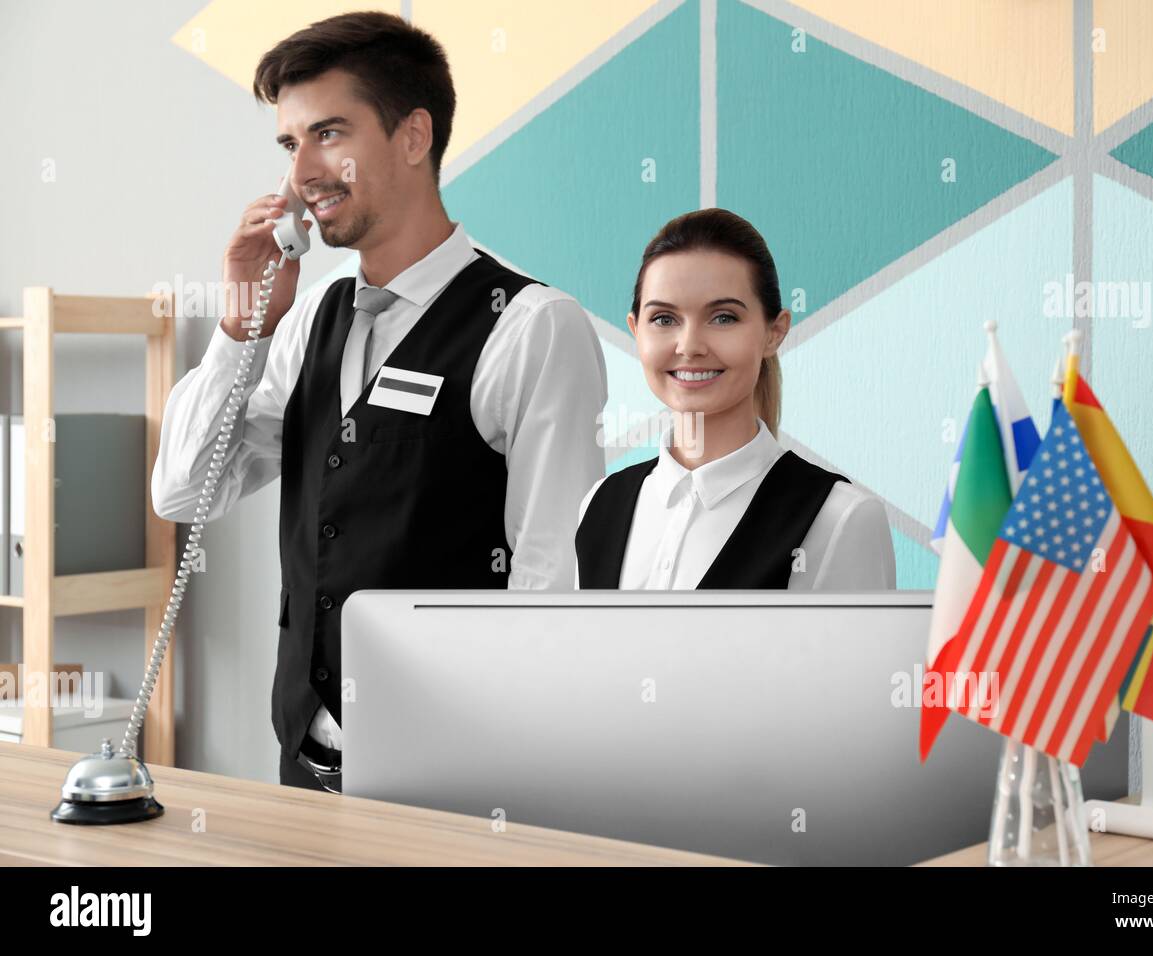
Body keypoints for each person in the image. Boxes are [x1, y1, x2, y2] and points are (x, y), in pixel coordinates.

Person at [152, 12, 606, 790]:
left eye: (329, 133)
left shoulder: (530, 326)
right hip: (303, 763)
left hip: (458, 774)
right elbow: (183, 492)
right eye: (290, 144)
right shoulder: (310, 320)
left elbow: (549, 585)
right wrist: (241, 328)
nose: (302, 174)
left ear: (413, 136)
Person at [575, 208, 893, 590]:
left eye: (723, 317)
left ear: (774, 332)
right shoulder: (598, 504)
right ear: (635, 330)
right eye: (663, 319)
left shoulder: (841, 517)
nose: (689, 346)